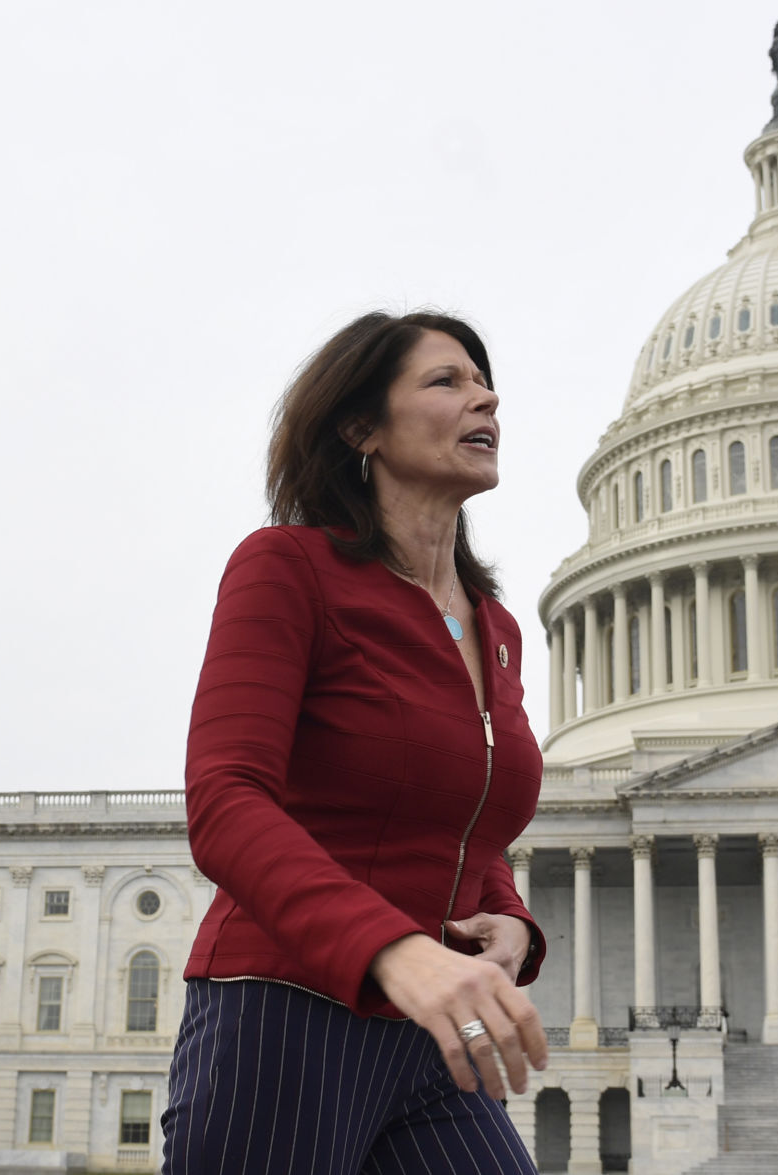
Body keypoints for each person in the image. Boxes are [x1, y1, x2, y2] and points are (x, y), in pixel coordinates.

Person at [162, 311, 550, 1174]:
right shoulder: (288, 568)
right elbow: (224, 800)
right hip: (284, 1014)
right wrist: (392, 949)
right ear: (360, 429)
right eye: (446, 381)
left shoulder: (496, 629)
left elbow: (469, 822)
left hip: (435, 1032)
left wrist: (512, 919)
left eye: (484, 381)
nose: (486, 395)